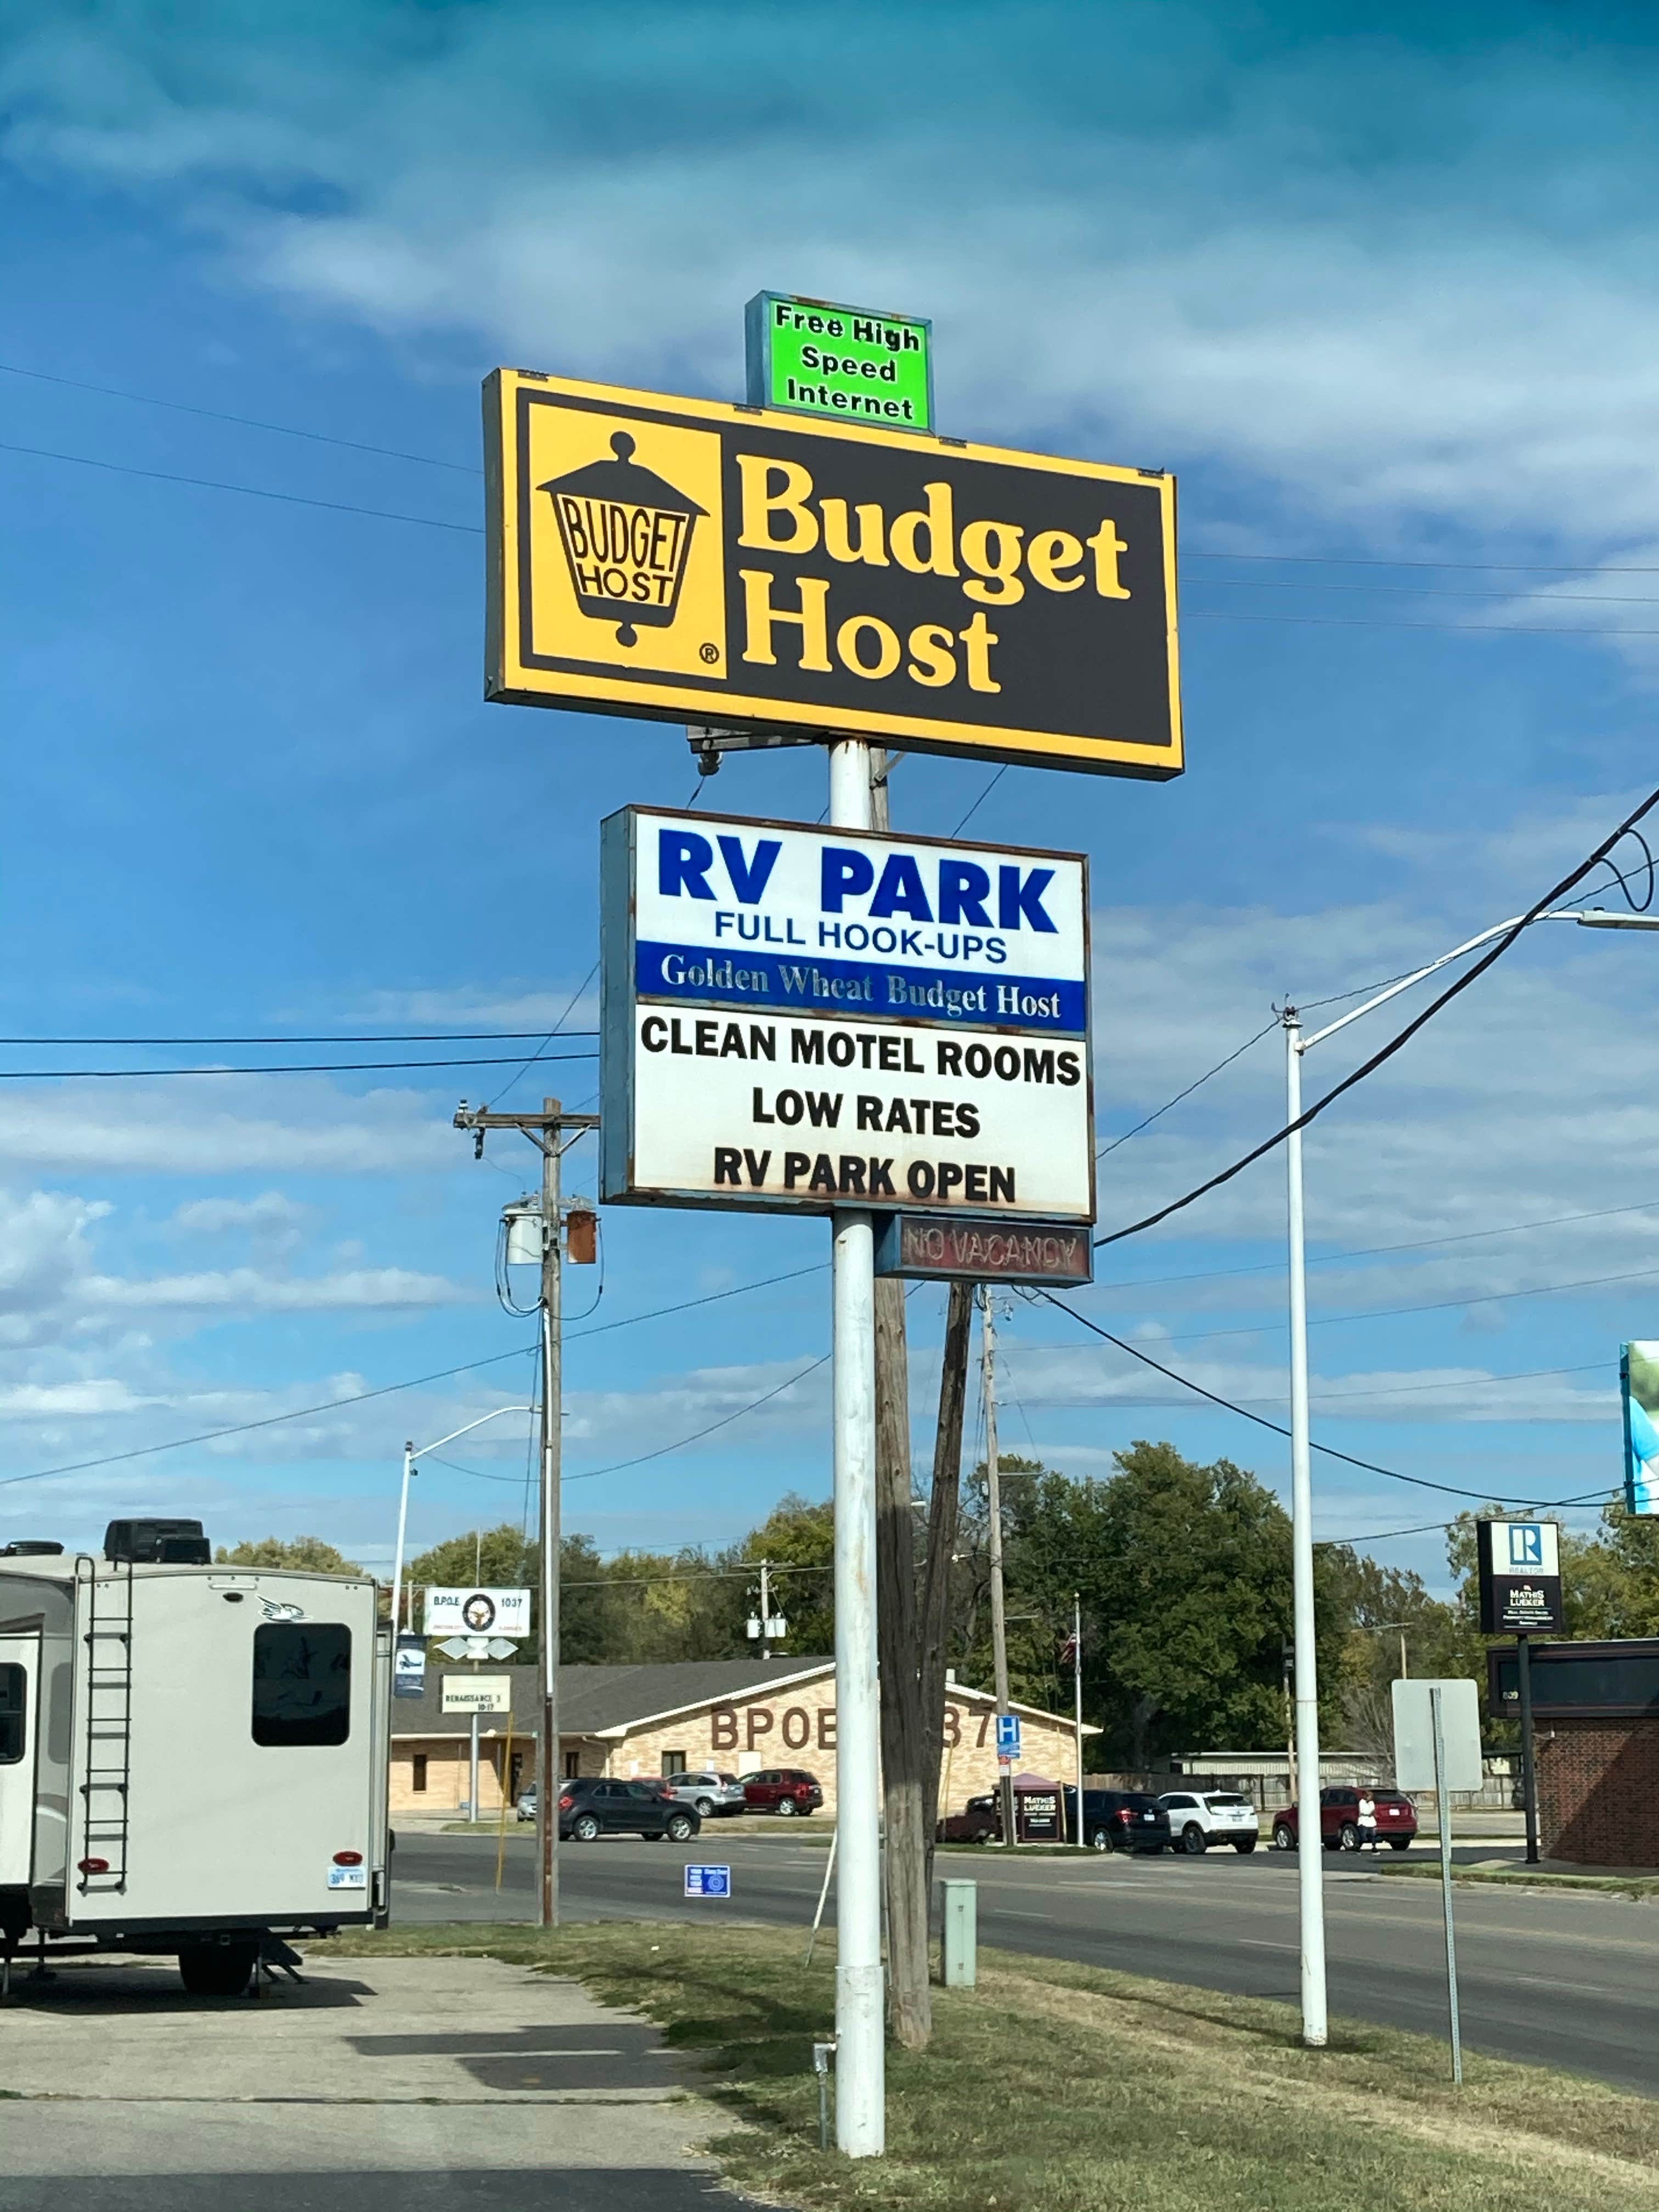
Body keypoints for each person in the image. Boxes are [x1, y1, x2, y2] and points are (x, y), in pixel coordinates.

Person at [1357, 1788, 1379, 1852]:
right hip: (1364, 1820)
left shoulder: (1372, 1803)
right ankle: (1359, 1846)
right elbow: (1362, 1811)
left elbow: (1373, 1810)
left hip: (1371, 1820)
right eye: (1369, 1796)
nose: (1370, 1798)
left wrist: (1372, 1813)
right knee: (1363, 1835)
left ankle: (1374, 1847)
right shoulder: (1362, 1802)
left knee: (1373, 1835)